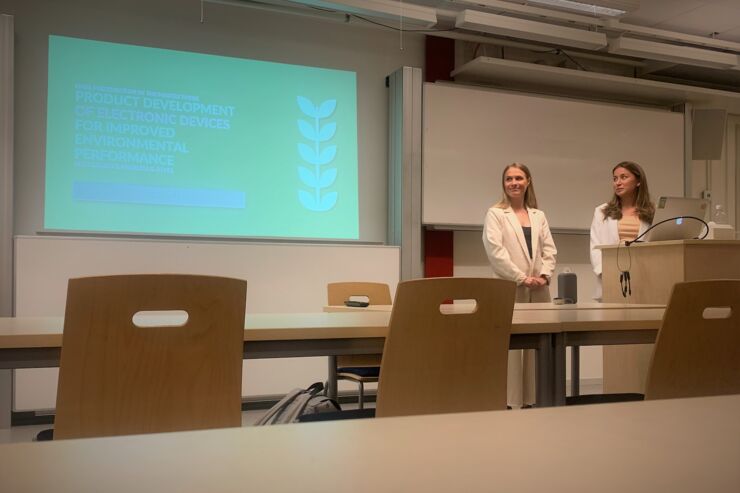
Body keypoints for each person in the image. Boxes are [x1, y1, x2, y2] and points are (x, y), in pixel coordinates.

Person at [482, 163, 557, 408]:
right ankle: (511, 402)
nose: (513, 182)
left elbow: (549, 250)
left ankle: (534, 400)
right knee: (512, 349)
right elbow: (496, 252)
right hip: (509, 289)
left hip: (539, 290)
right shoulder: (495, 213)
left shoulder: (538, 215)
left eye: (519, 178)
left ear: (528, 182)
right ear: (503, 184)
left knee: (539, 345)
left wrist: (544, 276)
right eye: (508, 178)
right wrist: (521, 277)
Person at [590, 161, 654, 300]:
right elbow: (595, 247)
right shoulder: (601, 212)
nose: (618, 183)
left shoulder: (652, 213)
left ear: (638, 181)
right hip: (611, 278)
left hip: (643, 277)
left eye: (624, 177)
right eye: (615, 179)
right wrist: (605, 273)